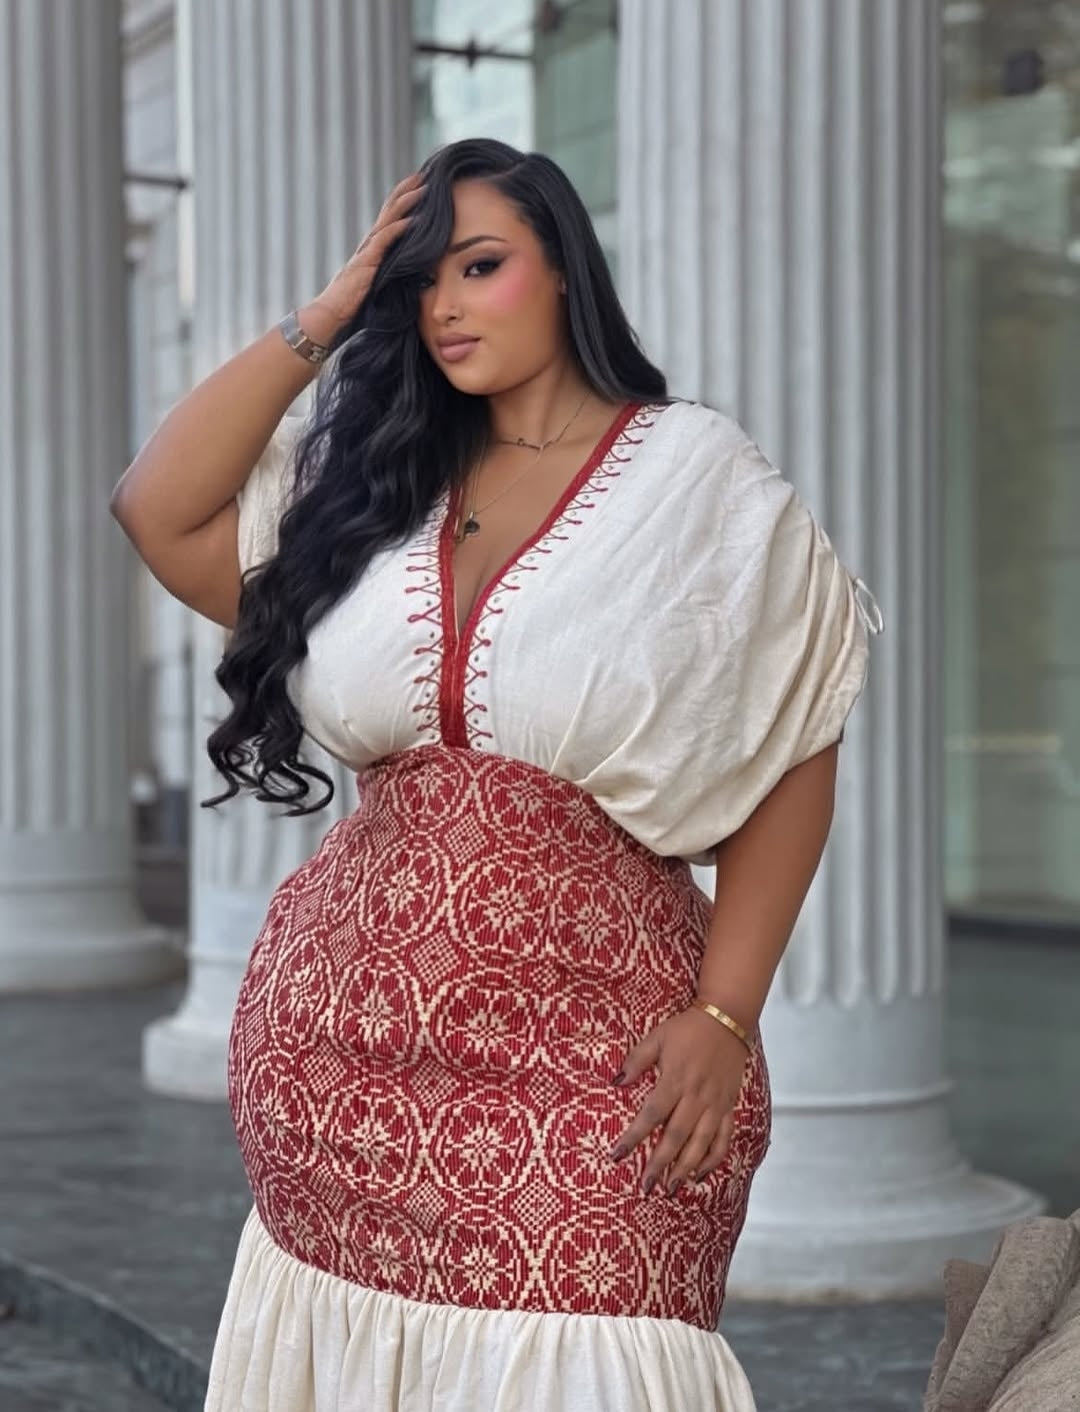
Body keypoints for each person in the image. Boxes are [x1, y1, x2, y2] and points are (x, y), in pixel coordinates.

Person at [112, 137, 881, 1412]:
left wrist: (728, 1016)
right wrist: (327, 311)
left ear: (565, 272)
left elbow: (799, 742)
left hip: (609, 1057)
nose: (446, 305)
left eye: (480, 265)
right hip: (333, 1065)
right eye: (420, 282)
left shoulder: (697, 479)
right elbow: (158, 507)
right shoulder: (371, 487)